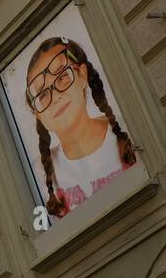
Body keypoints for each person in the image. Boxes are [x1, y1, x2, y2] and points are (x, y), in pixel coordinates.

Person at [25, 36, 136, 219]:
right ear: (38, 114)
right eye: (43, 94)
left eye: (61, 78)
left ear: (82, 75)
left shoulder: (129, 129)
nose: (56, 97)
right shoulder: (37, 174)